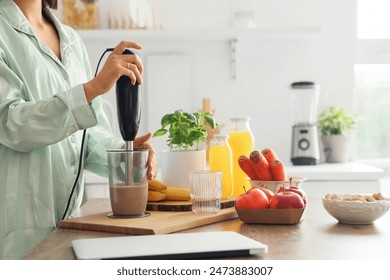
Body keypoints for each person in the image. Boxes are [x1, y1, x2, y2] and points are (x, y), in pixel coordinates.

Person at [0, 0, 157, 259]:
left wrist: (125, 153)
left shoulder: (70, 38)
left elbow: (86, 135)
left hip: (70, 231)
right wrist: (92, 89)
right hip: (18, 236)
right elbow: (10, 122)